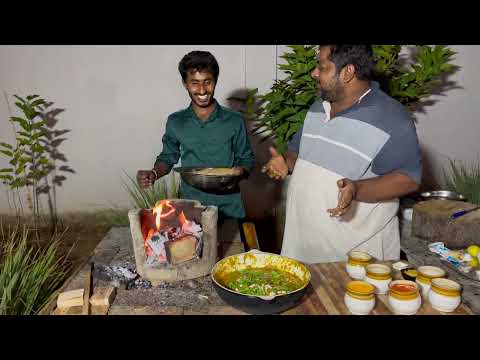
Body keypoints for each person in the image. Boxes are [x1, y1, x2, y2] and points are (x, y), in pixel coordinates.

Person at [263, 45, 422, 263]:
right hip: (303, 249)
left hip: (358, 259)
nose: (314, 73)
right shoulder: (319, 108)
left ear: (348, 72)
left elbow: (408, 179)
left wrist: (357, 189)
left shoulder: (393, 118)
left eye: (322, 67)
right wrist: (285, 163)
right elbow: (296, 153)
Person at [137, 50, 255, 222]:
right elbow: (168, 157)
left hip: (229, 207)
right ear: (185, 83)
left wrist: (241, 171)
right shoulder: (176, 121)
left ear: (215, 81)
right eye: (194, 83)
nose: (202, 90)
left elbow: (247, 158)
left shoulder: (234, 120)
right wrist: (154, 173)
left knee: (232, 249)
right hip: (192, 209)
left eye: (207, 82)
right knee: (193, 248)